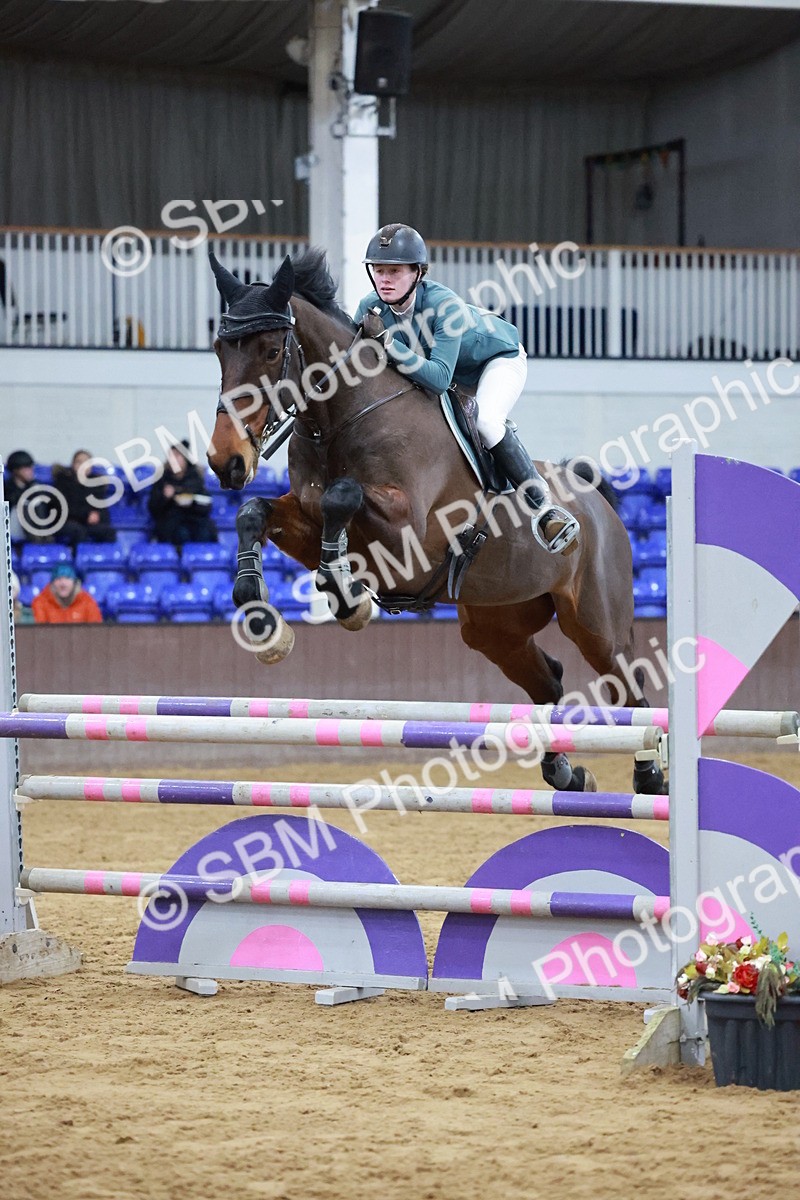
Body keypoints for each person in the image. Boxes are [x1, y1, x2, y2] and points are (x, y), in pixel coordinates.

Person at [354, 224, 578, 555]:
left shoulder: (445, 305)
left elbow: (439, 379)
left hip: (495, 361)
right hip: (450, 373)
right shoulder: (370, 307)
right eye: (379, 270)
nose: (384, 279)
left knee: (486, 421)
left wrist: (388, 343)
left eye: (395, 271)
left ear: (418, 273)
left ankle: (544, 507)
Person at [148, 441, 217, 545]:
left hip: (195, 520)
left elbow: (207, 504)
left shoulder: (195, 479)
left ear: (185, 458)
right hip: (171, 522)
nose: (174, 460)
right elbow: (153, 508)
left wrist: (192, 502)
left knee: (204, 533)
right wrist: (165, 498)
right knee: (180, 533)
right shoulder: (162, 480)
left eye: (177, 456)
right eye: (171, 456)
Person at [52, 450, 116, 548]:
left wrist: (97, 514)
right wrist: (87, 514)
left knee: (108, 531)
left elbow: (103, 510)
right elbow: (64, 508)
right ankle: (76, 555)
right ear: (73, 465)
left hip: (88, 524)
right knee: (77, 531)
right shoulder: (62, 483)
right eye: (79, 462)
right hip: (68, 522)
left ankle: (101, 556)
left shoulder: (96, 485)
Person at [32, 563, 103, 624]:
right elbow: (38, 632)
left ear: (75, 583)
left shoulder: (87, 602)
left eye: (68, 578)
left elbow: (96, 631)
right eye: (58, 579)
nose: (63, 584)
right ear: (52, 584)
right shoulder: (41, 602)